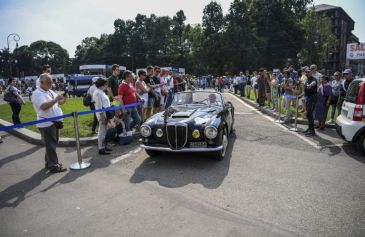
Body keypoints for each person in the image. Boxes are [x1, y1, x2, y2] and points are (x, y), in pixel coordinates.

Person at [31, 73, 67, 172]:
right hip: (46, 123)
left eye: (51, 82)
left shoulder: (50, 91)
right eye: (48, 82)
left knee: (52, 144)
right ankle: (54, 166)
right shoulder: (37, 93)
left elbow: (58, 103)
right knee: (51, 145)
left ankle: (49, 162)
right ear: (41, 82)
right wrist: (56, 99)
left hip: (54, 122)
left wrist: (63, 99)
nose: (51, 84)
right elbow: (43, 106)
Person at [93, 77, 112, 155]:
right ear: (102, 84)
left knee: (104, 131)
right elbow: (98, 106)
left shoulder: (101, 91)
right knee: (102, 131)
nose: (106, 85)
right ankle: (101, 148)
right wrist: (101, 117)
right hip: (102, 114)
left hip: (106, 112)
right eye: (105, 84)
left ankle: (104, 146)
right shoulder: (97, 92)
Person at [303, 67, 318, 137]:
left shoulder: (313, 79)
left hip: (312, 98)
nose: (307, 73)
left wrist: (310, 85)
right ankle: (310, 128)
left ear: (311, 72)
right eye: (306, 72)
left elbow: (314, 83)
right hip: (308, 98)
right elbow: (305, 89)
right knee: (308, 115)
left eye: (308, 72)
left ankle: (312, 132)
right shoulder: (307, 79)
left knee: (310, 114)